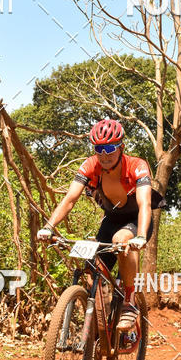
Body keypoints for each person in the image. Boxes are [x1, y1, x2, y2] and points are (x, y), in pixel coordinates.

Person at [37, 118, 155, 329]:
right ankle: (101, 327)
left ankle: (129, 302)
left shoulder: (137, 166)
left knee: (121, 240)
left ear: (121, 148)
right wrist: (48, 227)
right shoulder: (91, 165)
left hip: (136, 220)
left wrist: (141, 237)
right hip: (111, 219)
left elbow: (145, 203)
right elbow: (70, 199)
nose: (104, 154)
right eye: (99, 148)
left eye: (110, 148)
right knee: (92, 270)